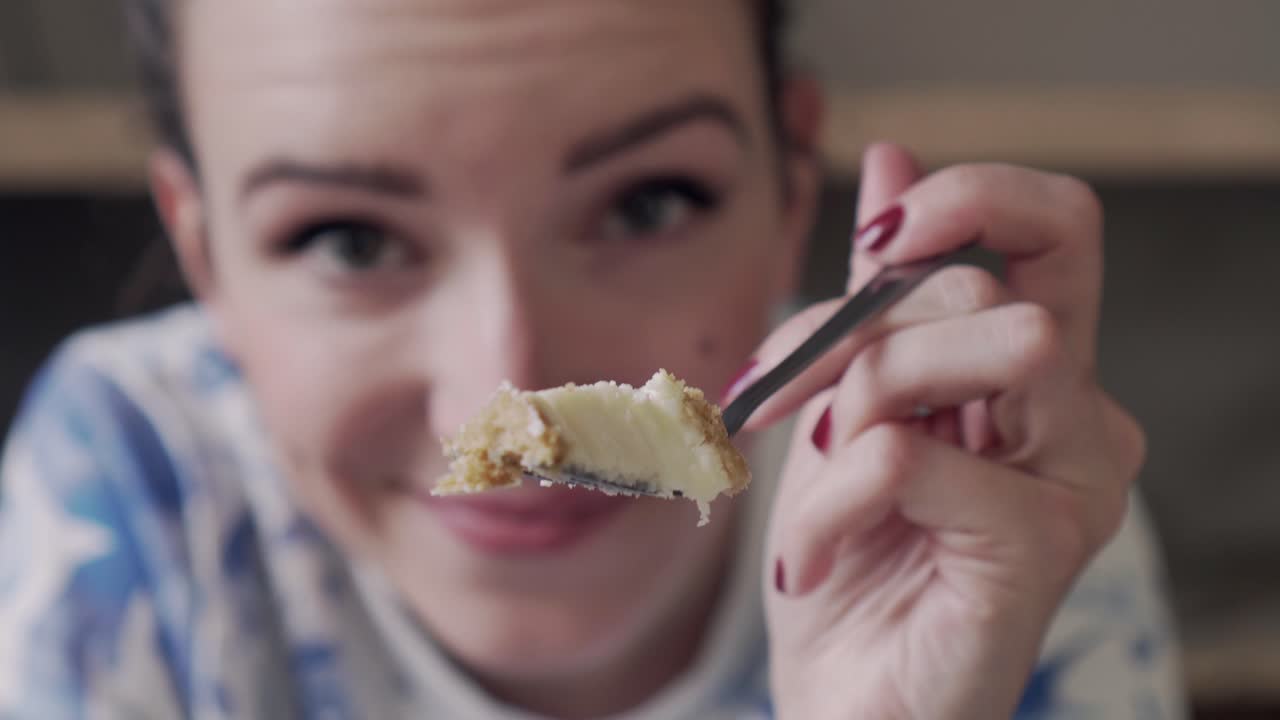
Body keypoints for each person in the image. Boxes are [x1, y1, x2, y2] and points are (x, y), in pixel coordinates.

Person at [0, 0, 1187, 717]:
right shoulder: (128, 490)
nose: (501, 388)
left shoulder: (965, 505)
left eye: (644, 204)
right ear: (203, 252)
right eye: (347, 238)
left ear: (788, 187)